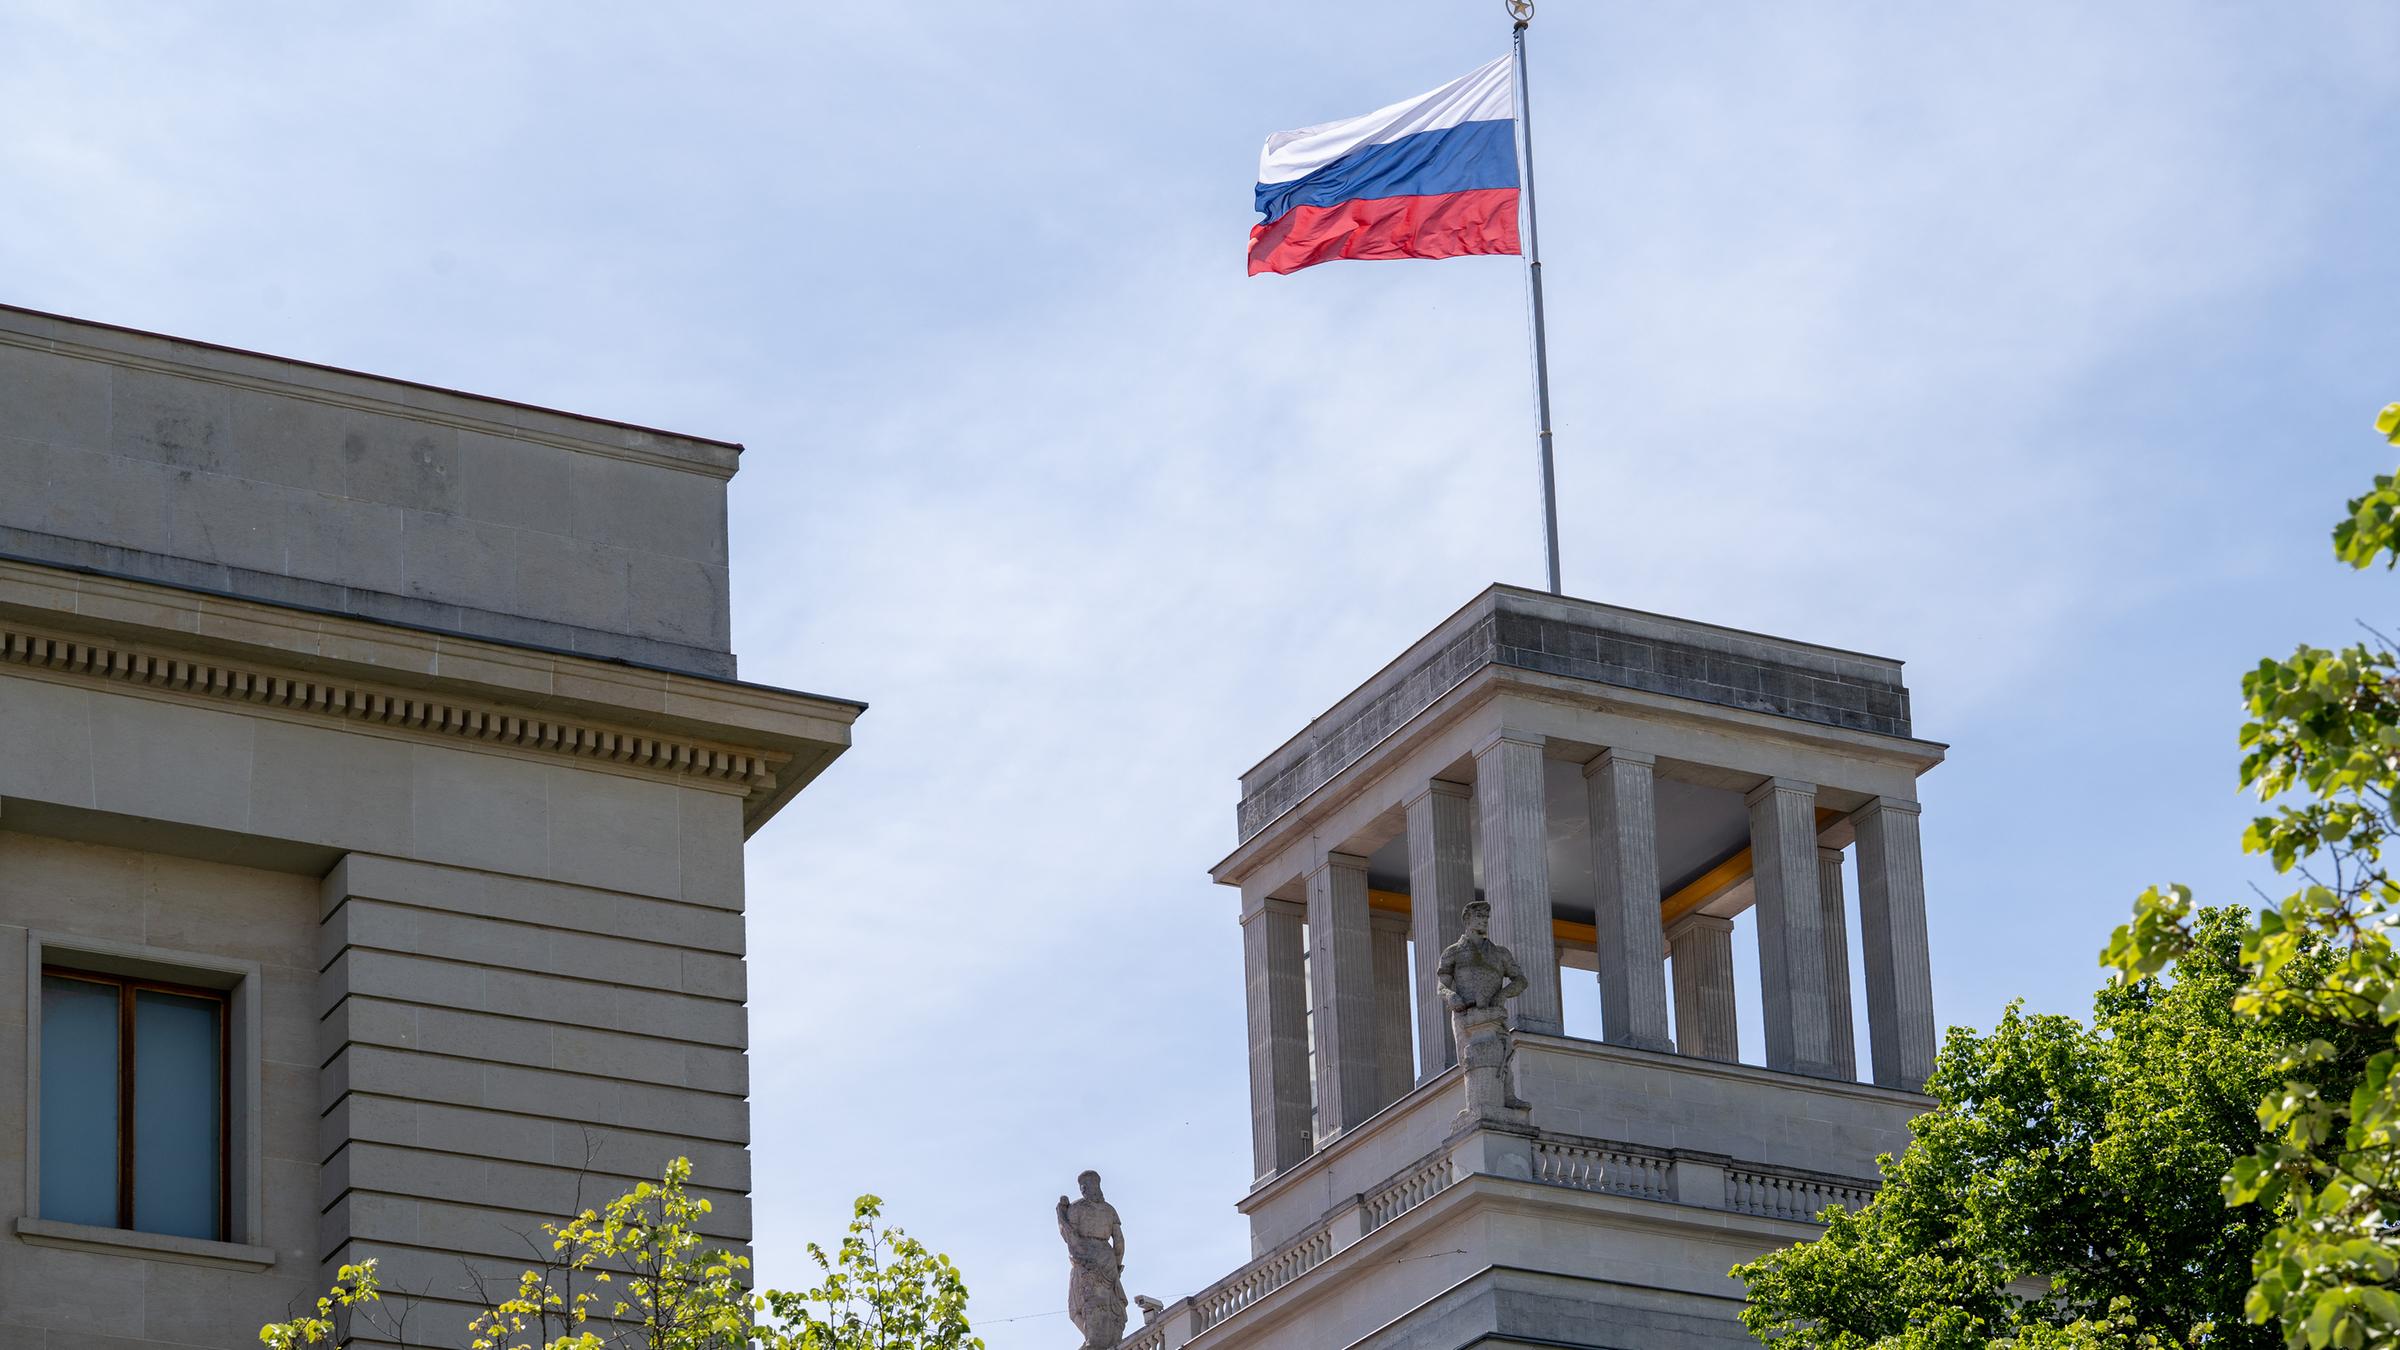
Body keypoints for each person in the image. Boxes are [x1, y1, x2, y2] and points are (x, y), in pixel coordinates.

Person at [1057, 1169, 1127, 1349]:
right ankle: (1104, 1340)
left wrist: (1062, 1215)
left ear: (1084, 1188)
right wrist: (1116, 1264)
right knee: (1109, 1302)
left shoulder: (1076, 1208)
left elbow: (1070, 1237)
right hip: (1107, 1257)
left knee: (1077, 1306)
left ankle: (1094, 1341)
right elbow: (1119, 1242)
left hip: (1086, 1259)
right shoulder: (1110, 1210)